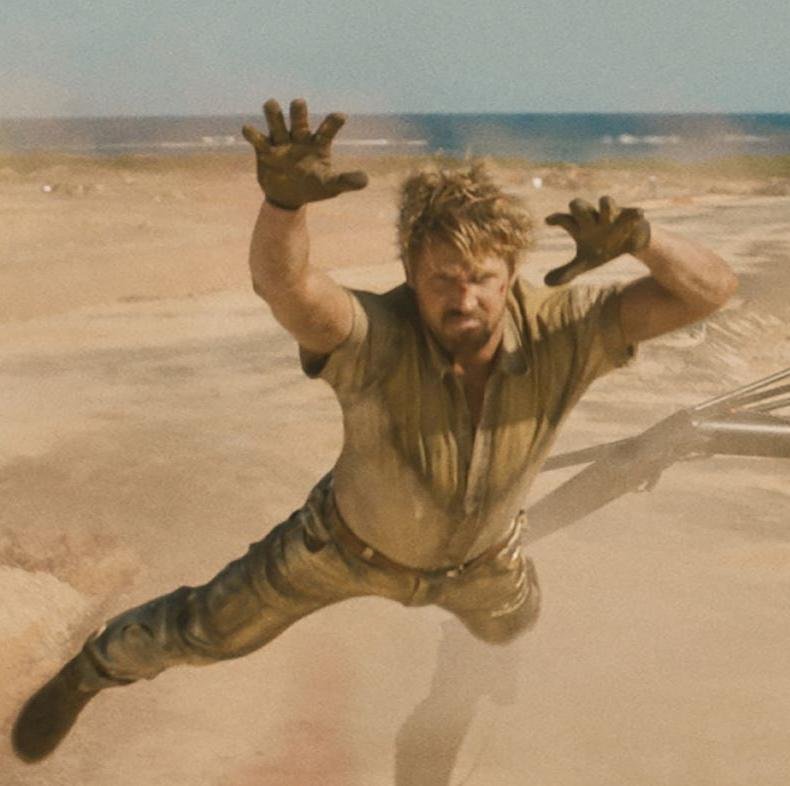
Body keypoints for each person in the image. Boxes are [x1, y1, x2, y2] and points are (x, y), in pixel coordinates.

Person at [11, 97, 738, 763]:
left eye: (481, 278)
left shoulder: (564, 331)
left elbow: (711, 290)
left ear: (512, 271)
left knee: (513, 626)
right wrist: (284, 205)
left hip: (484, 564)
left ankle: (449, 706)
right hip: (340, 548)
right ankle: (91, 670)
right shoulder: (376, 334)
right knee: (206, 630)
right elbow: (286, 287)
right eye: (442, 278)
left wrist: (644, 239)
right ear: (410, 273)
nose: (463, 298)